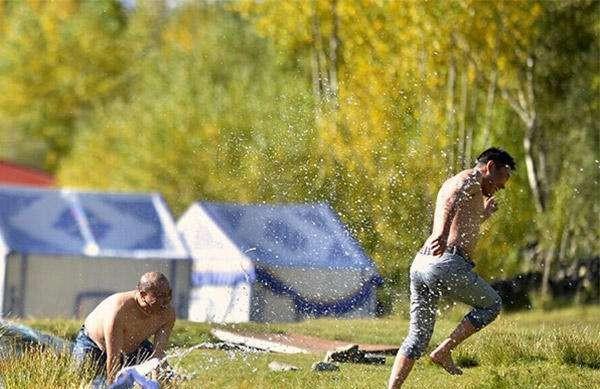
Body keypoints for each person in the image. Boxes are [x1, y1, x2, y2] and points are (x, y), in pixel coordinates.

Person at [388, 147, 516, 388]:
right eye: (502, 179)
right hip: (447, 263)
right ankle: (444, 350)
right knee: (492, 304)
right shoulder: (470, 179)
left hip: (421, 265)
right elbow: (452, 199)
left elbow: (462, 218)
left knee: (417, 339)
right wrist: (442, 233)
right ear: (489, 167)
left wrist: (483, 214)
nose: (502, 187)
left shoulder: (468, 184)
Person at [72, 271, 176, 384]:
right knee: (76, 381)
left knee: (167, 378)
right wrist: (113, 384)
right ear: (142, 294)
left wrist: (159, 382)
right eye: (159, 296)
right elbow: (113, 359)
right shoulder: (119, 311)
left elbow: (158, 356)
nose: (165, 302)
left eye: (168, 295)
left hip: (133, 348)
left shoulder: (167, 314)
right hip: (93, 345)